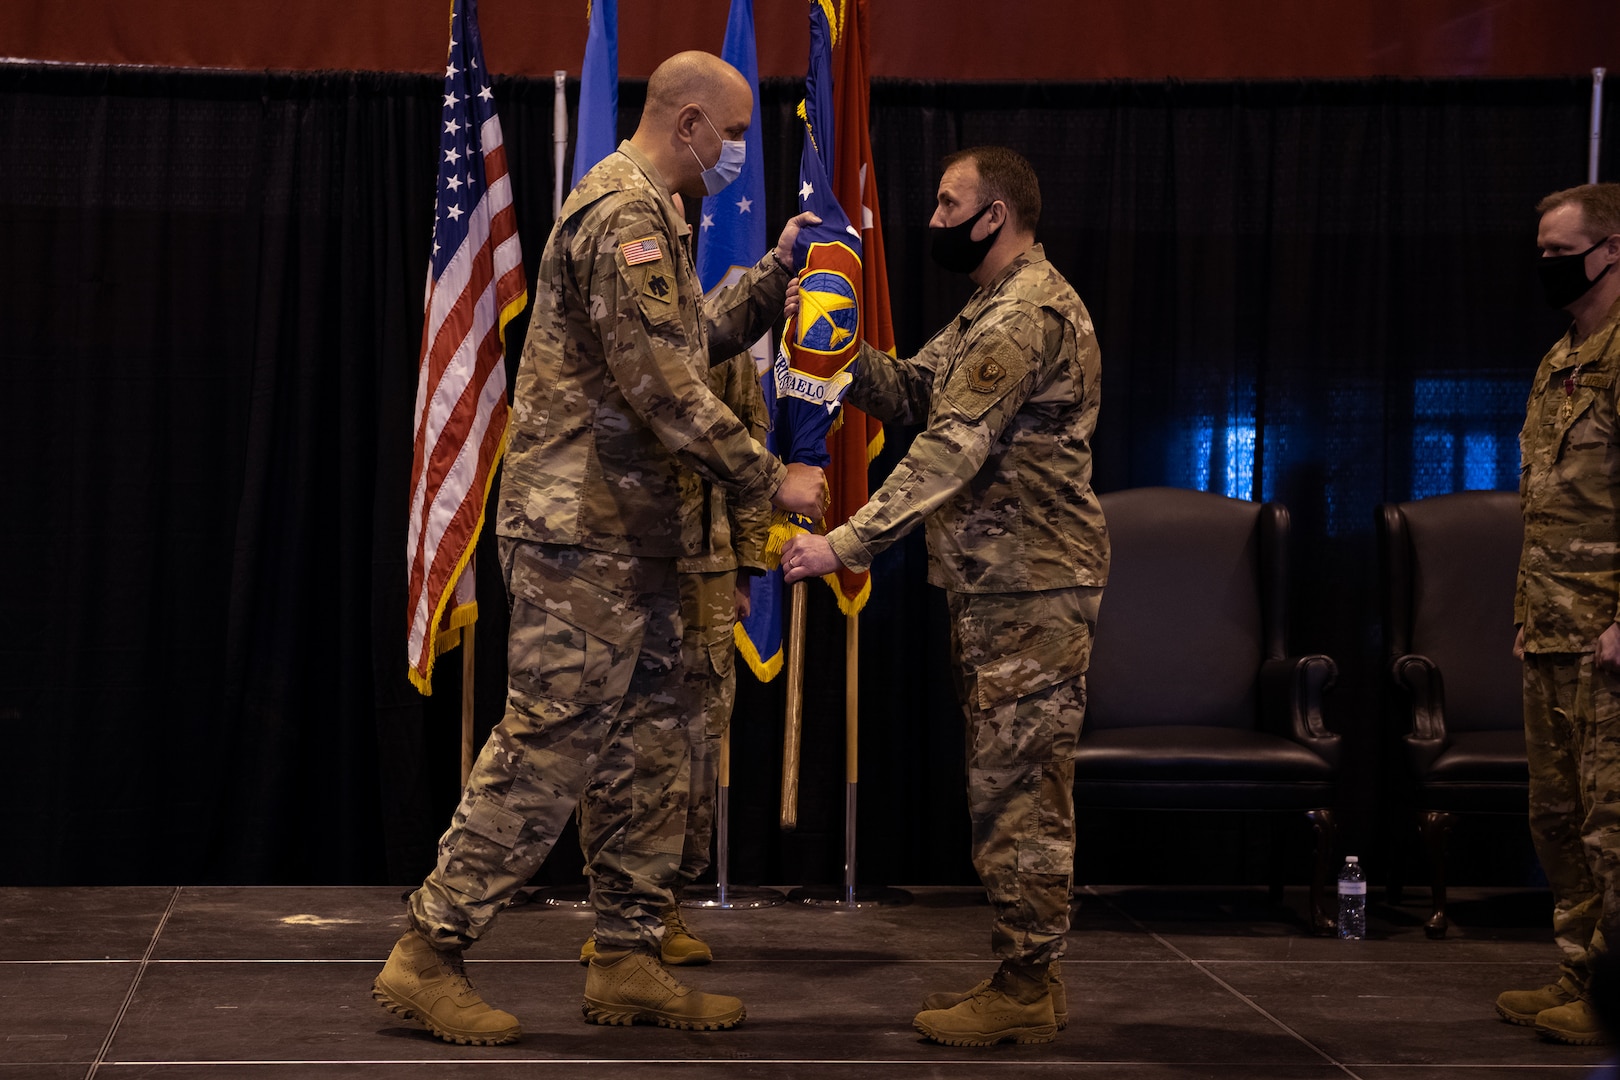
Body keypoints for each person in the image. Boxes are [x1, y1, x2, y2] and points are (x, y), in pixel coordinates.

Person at [372, 50, 825, 1045]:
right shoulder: (622, 213)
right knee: (550, 743)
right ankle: (429, 949)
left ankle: (627, 957)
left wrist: (773, 278)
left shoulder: (654, 211)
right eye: (737, 134)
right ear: (692, 123)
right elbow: (664, 392)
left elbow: (678, 340)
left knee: (647, 750)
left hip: (632, 538)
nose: (742, 155)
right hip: (581, 538)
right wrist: (768, 476)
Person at [782, 145, 1109, 1047]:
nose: (932, 219)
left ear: (994, 213)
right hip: (1004, 583)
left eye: (945, 202)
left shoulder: (1026, 312)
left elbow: (950, 448)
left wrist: (844, 545)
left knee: (1021, 794)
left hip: (1031, 587)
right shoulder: (990, 308)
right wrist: (835, 348)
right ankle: (1028, 976)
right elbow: (922, 392)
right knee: (1008, 783)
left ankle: (1025, 983)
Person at [577, 329, 773, 969]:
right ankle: (616, 912)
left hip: (707, 573)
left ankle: (666, 906)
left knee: (697, 745)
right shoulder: (626, 327)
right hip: (628, 567)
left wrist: (746, 567)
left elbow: (749, 446)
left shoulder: (730, 344)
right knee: (623, 749)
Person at [1496, 182, 1620, 1048]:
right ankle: (1581, 972)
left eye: (1561, 250)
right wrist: (1527, 612)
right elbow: (1547, 504)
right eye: (1540, 250)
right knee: (1560, 815)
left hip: (1611, 633)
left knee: (1614, 823)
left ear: (1612, 249)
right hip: (1553, 626)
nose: (1547, 264)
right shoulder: (1562, 358)